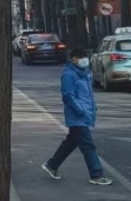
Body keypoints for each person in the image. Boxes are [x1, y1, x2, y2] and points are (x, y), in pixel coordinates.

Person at [41, 48, 113, 185]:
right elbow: (68, 96)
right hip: (77, 116)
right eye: (81, 57)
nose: (84, 60)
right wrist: (80, 111)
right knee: (88, 146)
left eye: (85, 57)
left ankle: (52, 165)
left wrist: (92, 107)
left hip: (84, 113)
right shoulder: (69, 74)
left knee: (71, 142)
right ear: (73, 59)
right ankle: (96, 175)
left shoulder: (85, 73)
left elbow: (87, 94)